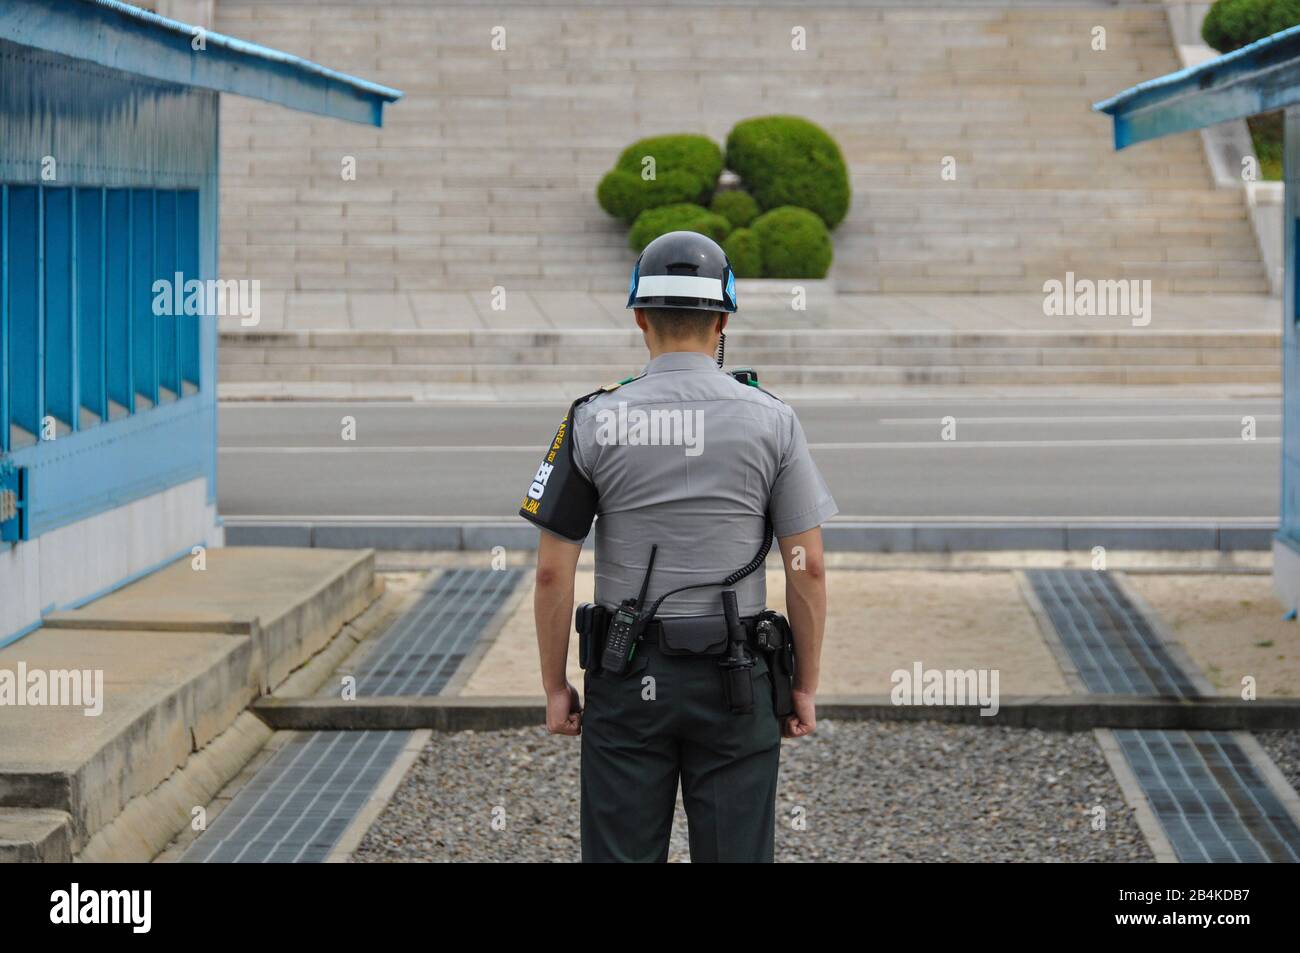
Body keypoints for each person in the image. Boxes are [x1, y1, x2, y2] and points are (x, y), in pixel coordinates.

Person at [518, 230, 836, 862]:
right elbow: (810, 565)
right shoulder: (773, 418)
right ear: (722, 319)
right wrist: (803, 684)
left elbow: (554, 573)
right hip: (738, 677)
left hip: (625, 671)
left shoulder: (593, 418)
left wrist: (556, 685)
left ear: (640, 317)